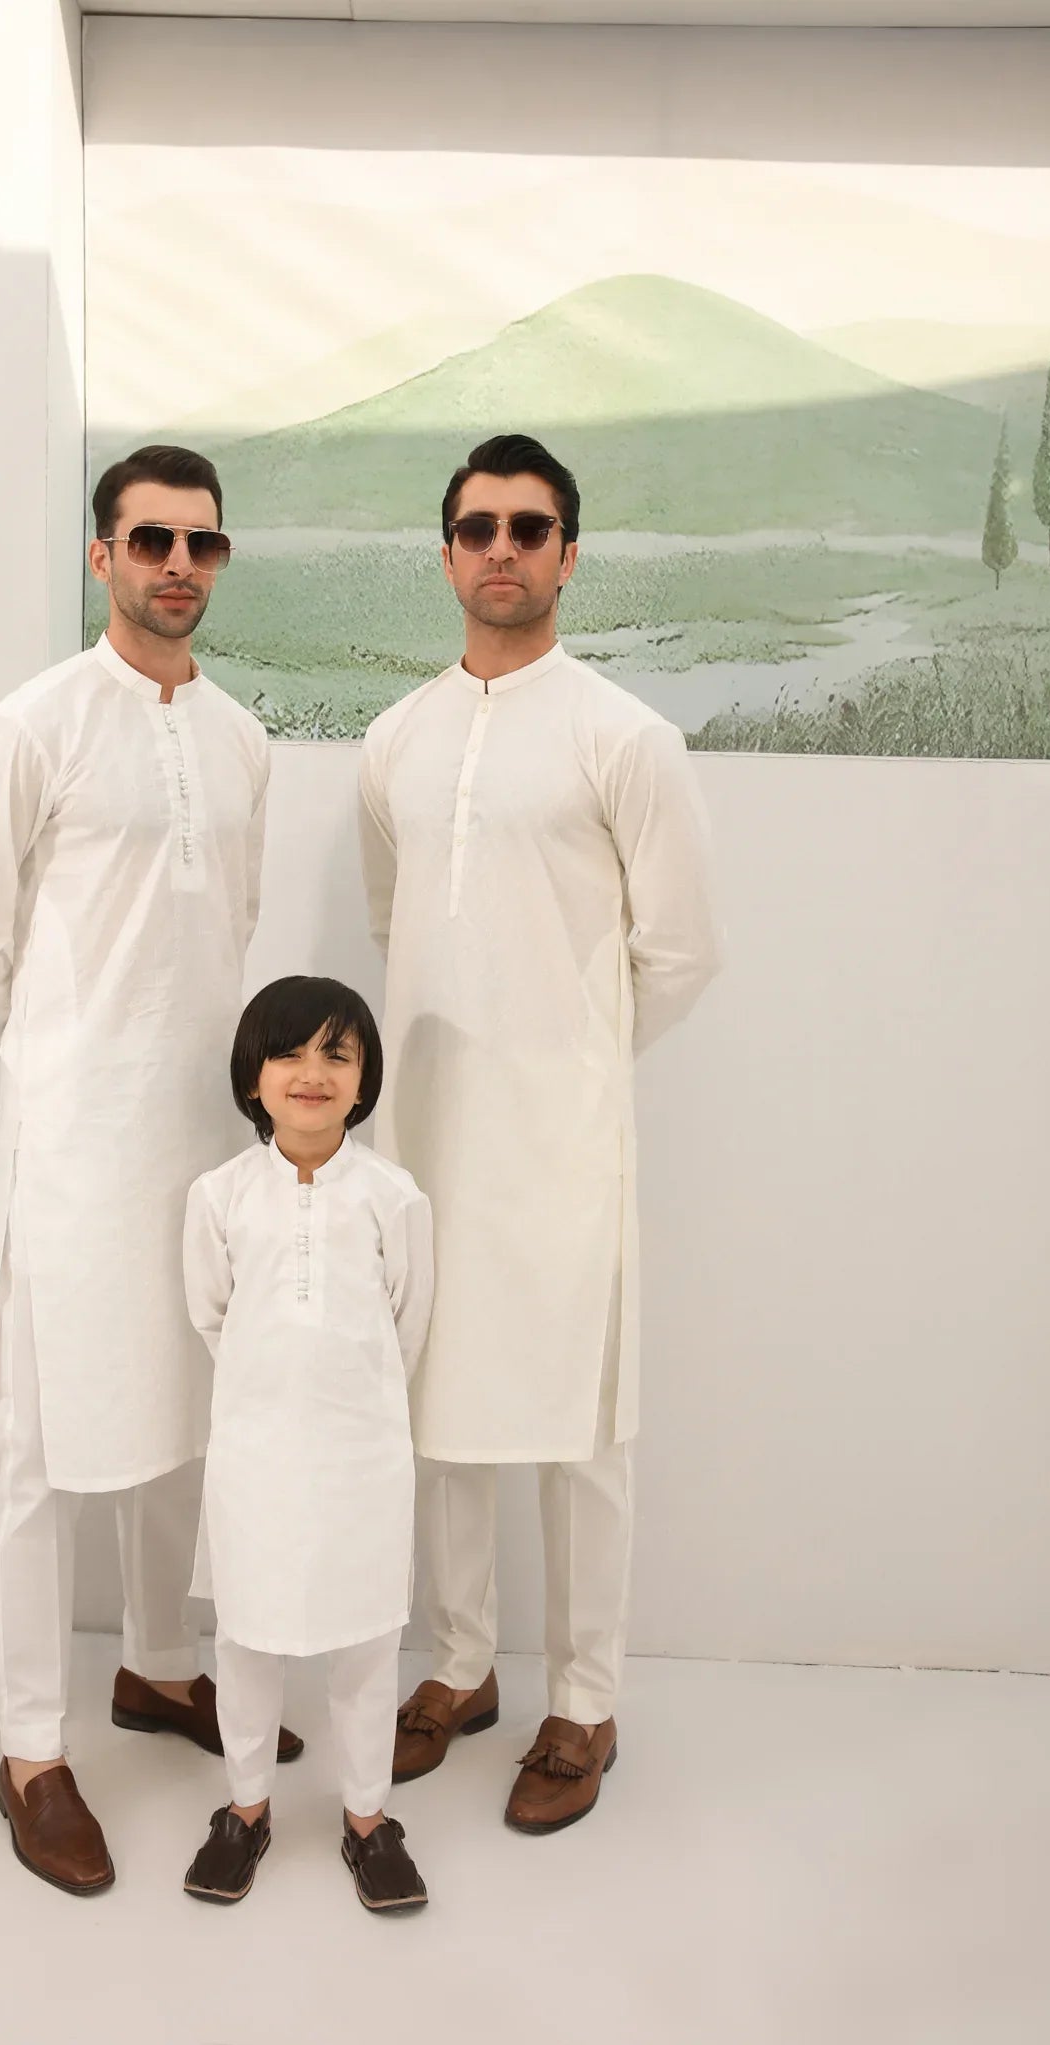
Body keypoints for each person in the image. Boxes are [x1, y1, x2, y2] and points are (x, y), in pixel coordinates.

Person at [0, 445, 299, 1896]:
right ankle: (30, 1748)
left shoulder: (245, 742)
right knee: (36, 1440)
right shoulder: (32, 727)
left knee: (182, 1407)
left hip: (204, 1138)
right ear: (103, 558)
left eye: (202, 541)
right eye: (151, 540)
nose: (178, 564)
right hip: (74, 1136)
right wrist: (60, 1053)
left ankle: (154, 1666)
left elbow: (235, 923)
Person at [358, 433, 722, 1834]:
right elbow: (399, 922)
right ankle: (459, 1667)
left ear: (569, 552)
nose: (500, 547)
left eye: (529, 525)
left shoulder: (623, 736)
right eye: (475, 526)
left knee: (582, 1422)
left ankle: (583, 1696)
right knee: (437, 1402)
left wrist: (571, 1062)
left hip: (567, 1134)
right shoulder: (396, 741)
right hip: (428, 1125)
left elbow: (680, 952)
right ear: (444, 552)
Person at [180, 976, 434, 1911]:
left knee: (368, 1644)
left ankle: (368, 1819)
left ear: (364, 1079)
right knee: (248, 1640)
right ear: (252, 1078)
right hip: (254, 1457)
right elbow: (212, 1316)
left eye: (338, 1052)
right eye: (288, 1052)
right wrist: (273, 1393)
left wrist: (343, 1400)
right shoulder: (218, 1196)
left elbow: (406, 1322)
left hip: (363, 1457)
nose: (312, 1073)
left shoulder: (392, 1197)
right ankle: (245, 1811)